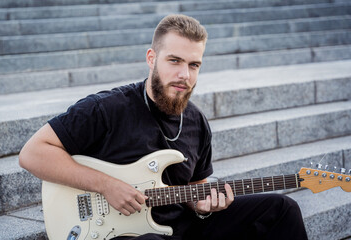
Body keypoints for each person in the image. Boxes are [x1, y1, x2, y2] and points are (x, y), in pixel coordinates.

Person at [19, 14, 308, 240]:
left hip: (181, 228)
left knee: (282, 210)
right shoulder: (107, 108)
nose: (184, 75)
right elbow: (32, 154)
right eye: (174, 61)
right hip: (119, 232)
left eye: (194, 65)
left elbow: (194, 188)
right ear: (151, 58)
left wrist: (203, 205)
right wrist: (106, 185)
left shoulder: (196, 121)